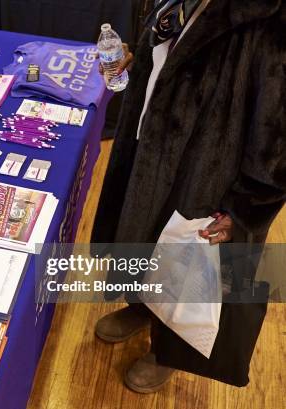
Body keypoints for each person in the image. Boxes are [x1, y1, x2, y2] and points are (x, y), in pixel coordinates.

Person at [91, 0, 285, 393]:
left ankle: (169, 348)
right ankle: (142, 306)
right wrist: (139, 58)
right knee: (146, 237)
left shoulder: (271, 19)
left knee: (186, 262)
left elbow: (279, 135)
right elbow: (173, 48)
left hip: (209, 172)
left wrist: (246, 205)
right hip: (153, 149)